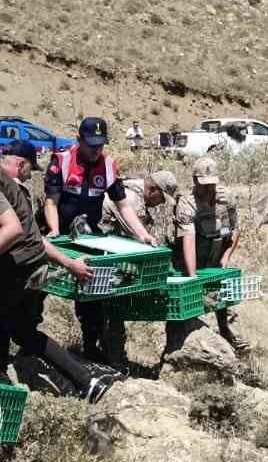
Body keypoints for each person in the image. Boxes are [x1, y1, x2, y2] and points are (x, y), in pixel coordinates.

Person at [0, 124, 119, 401]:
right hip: (27, 263)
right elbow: (32, 233)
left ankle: (2, 396)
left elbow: (13, 228)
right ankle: (87, 382)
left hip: (11, 268)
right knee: (20, 330)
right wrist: (68, 263)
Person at [43, 117, 156, 362]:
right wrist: (53, 230)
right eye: (91, 144)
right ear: (79, 140)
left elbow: (123, 206)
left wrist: (142, 234)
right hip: (58, 234)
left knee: (92, 288)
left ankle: (91, 345)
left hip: (88, 236)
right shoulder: (61, 162)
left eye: (100, 144)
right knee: (40, 285)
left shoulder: (108, 166)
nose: (96, 150)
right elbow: (51, 201)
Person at [97, 170, 179, 366]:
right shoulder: (131, 199)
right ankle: (110, 359)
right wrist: (165, 267)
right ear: (152, 189)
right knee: (110, 309)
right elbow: (139, 241)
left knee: (110, 309)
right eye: (161, 198)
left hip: (109, 256)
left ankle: (109, 355)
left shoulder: (134, 192)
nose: (160, 203)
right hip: (101, 258)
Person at [170, 155, 249, 355]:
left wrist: (225, 258)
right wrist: (192, 275)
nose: (208, 189)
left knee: (221, 297)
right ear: (195, 181)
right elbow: (188, 238)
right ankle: (180, 348)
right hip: (190, 260)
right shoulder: (187, 203)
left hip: (215, 257)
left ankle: (225, 331)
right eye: (204, 184)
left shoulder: (226, 198)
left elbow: (235, 228)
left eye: (212, 184)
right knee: (187, 308)